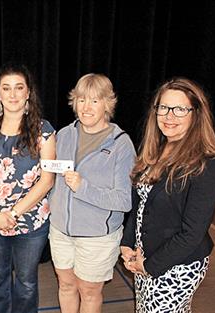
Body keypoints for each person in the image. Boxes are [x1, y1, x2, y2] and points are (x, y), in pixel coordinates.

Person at [120, 77, 215, 312]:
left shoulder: (209, 164)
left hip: (176, 265)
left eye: (180, 109)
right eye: (163, 108)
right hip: (145, 255)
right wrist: (128, 243)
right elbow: (141, 205)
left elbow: (192, 233)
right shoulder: (155, 151)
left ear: (196, 113)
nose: (169, 116)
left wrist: (149, 266)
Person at [48, 73, 135, 313]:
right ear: (74, 102)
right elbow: (51, 180)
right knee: (65, 285)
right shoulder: (63, 135)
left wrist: (83, 187)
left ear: (107, 104)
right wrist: (51, 205)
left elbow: (124, 200)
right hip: (60, 231)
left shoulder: (120, 144)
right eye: (82, 99)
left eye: (95, 101)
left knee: (88, 292)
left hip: (97, 237)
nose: (87, 107)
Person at [0, 63, 56, 313]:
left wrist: (13, 214)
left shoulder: (45, 131)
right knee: (0, 275)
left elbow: (48, 179)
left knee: (26, 281)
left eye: (18, 88)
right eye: (6, 88)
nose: (12, 94)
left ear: (28, 93)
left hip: (31, 222)